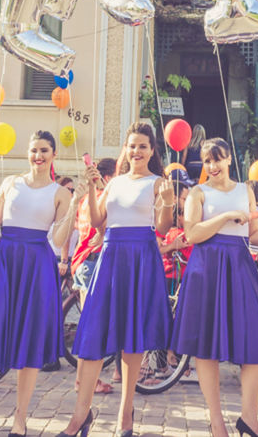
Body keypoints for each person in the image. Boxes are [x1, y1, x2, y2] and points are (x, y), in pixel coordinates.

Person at [61, 123, 175, 437]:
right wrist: (95, 190)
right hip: (111, 256)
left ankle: (126, 414)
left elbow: (164, 227)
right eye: (132, 146)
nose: (136, 151)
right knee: (95, 332)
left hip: (142, 256)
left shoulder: (157, 182)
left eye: (143, 146)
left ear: (152, 151)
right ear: (125, 150)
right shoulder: (114, 183)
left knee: (132, 338)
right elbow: (98, 222)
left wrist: (168, 200)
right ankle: (80, 416)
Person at [0, 131, 77, 437]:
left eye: (43, 150)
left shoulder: (60, 193)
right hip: (7, 263)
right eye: (33, 150)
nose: (37, 155)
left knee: (29, 342)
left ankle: (20, 418)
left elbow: (58, 239)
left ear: (53, 155)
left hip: (38, 265)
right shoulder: (12, 182)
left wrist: (74, 209)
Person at [171, 138, 258, 437]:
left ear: (230, 159)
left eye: (218, 159)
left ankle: (249, 418)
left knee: (254, 341)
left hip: (240, 265)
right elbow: (192, 234)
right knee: (206, 347)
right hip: (207, 267)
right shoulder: (198, 193)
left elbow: (252, 234)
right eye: (207, 161)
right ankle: (217, 422)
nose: (213, 166)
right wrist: (227, 216)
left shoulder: (246, 190)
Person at [68, 157, 118, 395]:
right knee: (92, 326)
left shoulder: (86, 201)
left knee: (88, 324)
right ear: (107, 178)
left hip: (81, 262)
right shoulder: (100, 199)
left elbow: (78, 228)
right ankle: (84, 381)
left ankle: (87, 379)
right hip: (92, 262)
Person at [160, 169, 194, 294]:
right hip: (169, 279)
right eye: (185, 199)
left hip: (183, 279)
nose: (188, 204)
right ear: (174, 198)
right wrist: (172, 246)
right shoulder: (162, 222)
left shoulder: (185, 228)